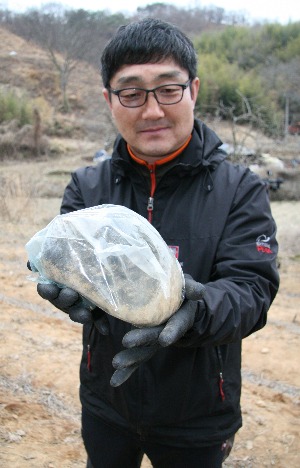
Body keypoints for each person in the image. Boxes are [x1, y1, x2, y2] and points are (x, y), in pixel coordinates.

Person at [31, 18, 279, 468]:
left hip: (199, 411)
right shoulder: (87, 186)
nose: (151, 111)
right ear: (109, 99)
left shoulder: (240, 189)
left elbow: (252, 289)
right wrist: (61, 285)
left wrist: (195, 312)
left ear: (194, 91)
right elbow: (64, 263)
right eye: (131, 92)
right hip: (107, 399)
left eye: (168, 89)